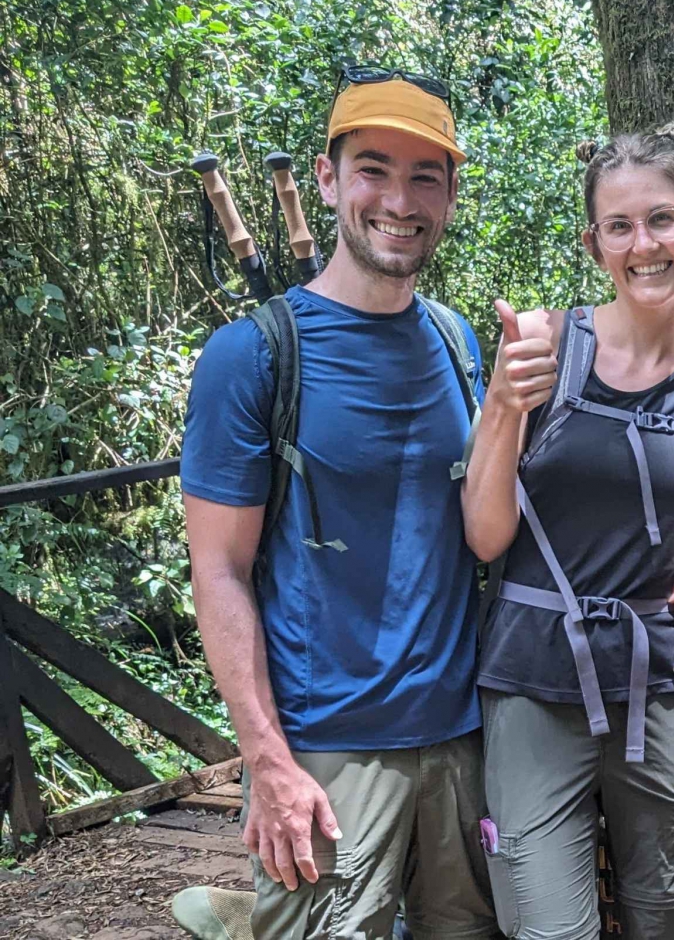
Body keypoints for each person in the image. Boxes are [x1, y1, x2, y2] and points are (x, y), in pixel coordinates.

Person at [176, 67, 500, 939]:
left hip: (460, 739)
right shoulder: (251, 356)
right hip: (324, 752)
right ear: (327, 179)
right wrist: (267, 763)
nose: (399, 200)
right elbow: (219, 569)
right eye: (373, 170)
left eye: (424, 176)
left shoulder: (455, 339)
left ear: (450, 195)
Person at [460, 126, 674, 940]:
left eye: (662, 219)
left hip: (656, 679)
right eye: (620, 226)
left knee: (667, 917)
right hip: (534, 678)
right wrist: (501, 403)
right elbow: (486, 536)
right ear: (594, 243)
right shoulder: (544, 347)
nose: (645, 245)